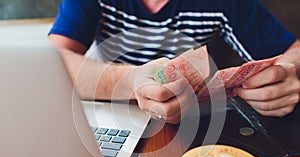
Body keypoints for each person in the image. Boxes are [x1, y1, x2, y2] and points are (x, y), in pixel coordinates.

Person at [48, 0, 300, 124]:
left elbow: (293, 52)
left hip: (191, 121)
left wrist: (290, 70)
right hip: (114, 113)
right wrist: (131, 81)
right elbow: (51, 64)